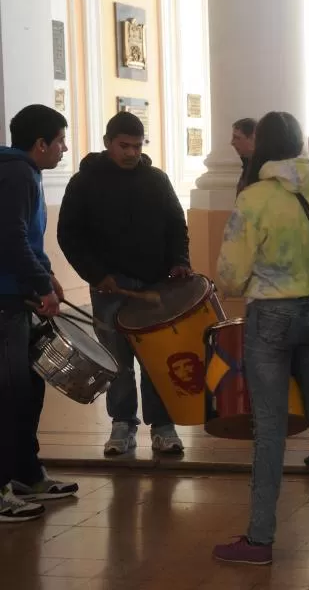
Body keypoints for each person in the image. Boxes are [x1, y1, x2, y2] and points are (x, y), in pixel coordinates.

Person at [212, 111, 309, 564]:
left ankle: (260, 539)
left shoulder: (253, 199)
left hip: (272, 319)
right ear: (299, 143)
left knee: (271, 427)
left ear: (261, 147)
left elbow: (231, 278)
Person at [58, 112, 192, 456]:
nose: (132, 152)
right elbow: (69, 235)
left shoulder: (157, 181)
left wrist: (180, 262)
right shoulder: (84, 183)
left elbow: (177, 225)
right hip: (109, 288)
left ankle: (163, 427)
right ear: (108, 143)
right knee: (117, 360)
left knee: (155, 358)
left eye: (137, 145)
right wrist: (96, 274)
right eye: (124, 146)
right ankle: (122, 425)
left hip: (154, 287)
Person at [0, 105, 78, 522]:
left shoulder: (24, 172)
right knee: (8, 396)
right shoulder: (15, 174)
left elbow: (28, 238)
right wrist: (41, 285)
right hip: (5, 301)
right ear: (41, 143)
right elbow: (9, 238)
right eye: (60, 141)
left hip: (18, 296)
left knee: (30, 388)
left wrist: (46, 276)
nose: (64, 149)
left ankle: (27, 474)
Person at [231, 118, 256, 195]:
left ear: (252, 138)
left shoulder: (265, 166)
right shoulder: (242, 163)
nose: (232, 142)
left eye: (237, 138)